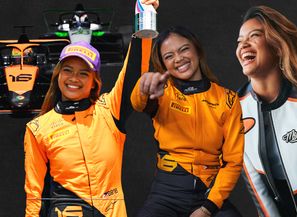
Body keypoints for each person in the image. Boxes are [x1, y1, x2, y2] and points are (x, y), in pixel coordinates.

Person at [23, 1, 159, 216]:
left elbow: (133, 74)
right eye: (68, 70)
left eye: (83, 73)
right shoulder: (38, 128)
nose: (74, 78)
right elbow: (34, 193)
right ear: (58, 74)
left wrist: (141, 24)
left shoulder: (108, 111)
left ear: (94, 81)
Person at [130, 26, 244, 217]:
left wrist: (207, 209)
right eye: (169, 56)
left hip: (209, 195)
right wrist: (144, 86)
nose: (178, 58)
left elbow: (233, 162)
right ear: (164, 65)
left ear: (197, 50)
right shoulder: (162, 92)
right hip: (166, 194)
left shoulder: (228, 99)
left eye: (184, 49)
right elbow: (138, 103)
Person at [236, 5, 297, 217]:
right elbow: (257, 189)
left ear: (278, 46)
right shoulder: (236, 109)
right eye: (239, 41)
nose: (243, 45)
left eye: (254, 36)